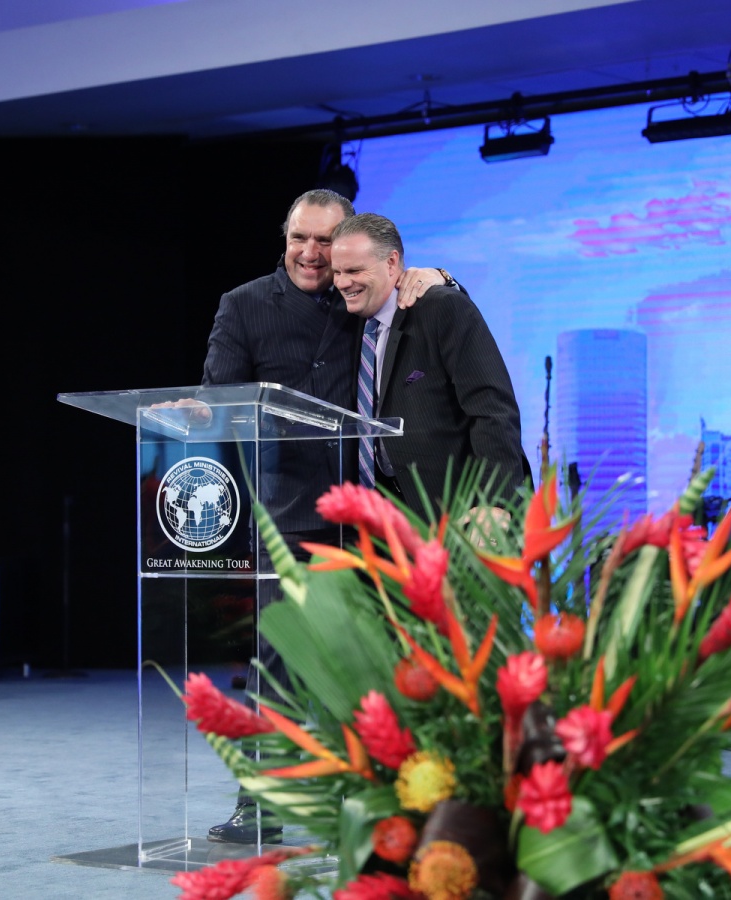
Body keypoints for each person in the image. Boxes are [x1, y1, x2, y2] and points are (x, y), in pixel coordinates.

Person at [199, 189, 454, 844]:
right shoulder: (244, 305)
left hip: (381, 510)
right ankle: (260, 804)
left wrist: (441, 276)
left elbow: (427, 319)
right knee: (279, 661)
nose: (311, 254)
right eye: (300, 238)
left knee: (389, 660)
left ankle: (392, 804)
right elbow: (220, 401)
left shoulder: (364, 293)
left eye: (326, 241)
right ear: (283, 239)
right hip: (290, 515)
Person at [332, 212, 525, 518]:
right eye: (337, 271)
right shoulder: (349, 323)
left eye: (354, 270)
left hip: (463, 516)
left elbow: (492, 410)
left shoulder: (442, 308)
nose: (343, 282)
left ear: (392, 263)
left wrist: (495, 503)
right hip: (385, 522)